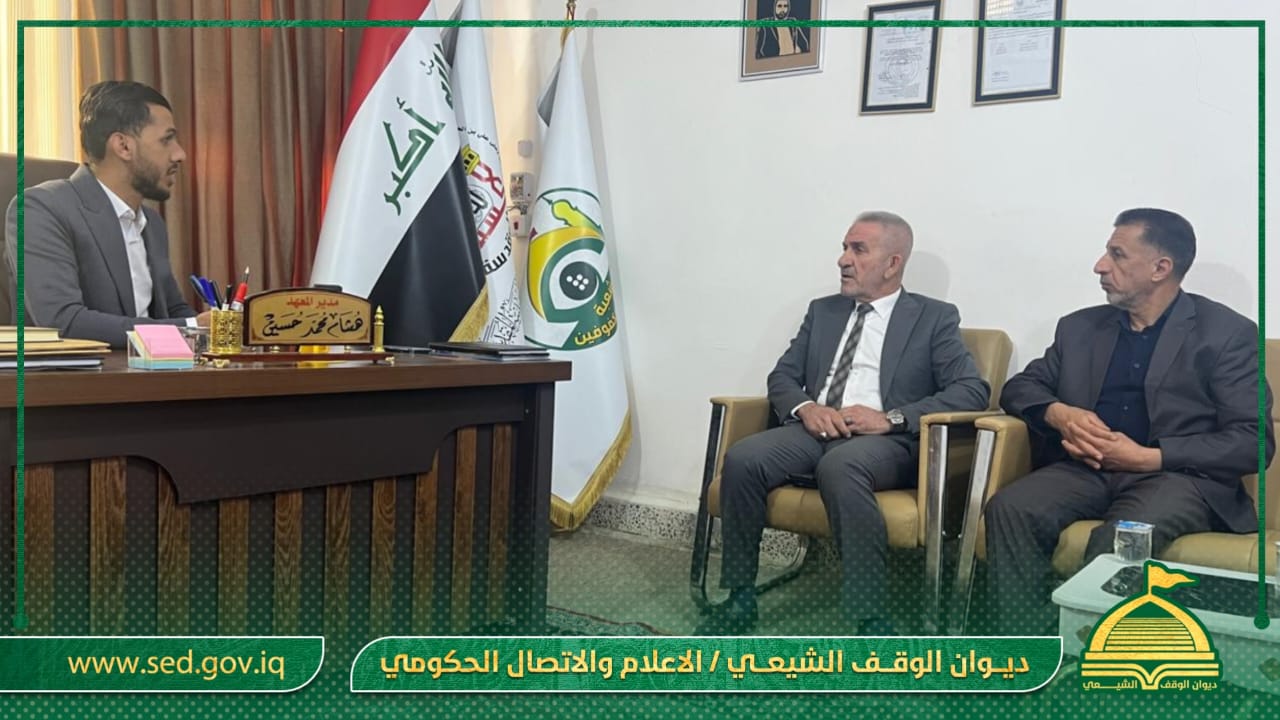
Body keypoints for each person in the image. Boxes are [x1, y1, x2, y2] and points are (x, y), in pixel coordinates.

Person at [696, 211, 990, 636]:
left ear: (892, 263)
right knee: (744, 458)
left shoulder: (932, 317)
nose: (843, 260)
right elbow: (782, 377)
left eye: (858, 250)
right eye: (844, 248)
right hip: (814, 430)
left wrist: (889, 419)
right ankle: (740, 596)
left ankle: (869, 617)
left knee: (841, 465)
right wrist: (806, 408)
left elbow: (971, 390)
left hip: (885, 443)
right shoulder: (824, 312)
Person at [984, 208, 1275, 635]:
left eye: (1117, 255)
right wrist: (1059, 413)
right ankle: (1027, 645)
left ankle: (1096, 657)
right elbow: (1020, 387)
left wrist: (1149, 458)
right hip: (1087, 470)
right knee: (1011, 508)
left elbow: (1253, 441)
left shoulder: (1226, 334)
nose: (1100, 266)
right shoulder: (1080, 328)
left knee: (1123, 536)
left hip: (1176, 478)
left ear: (1161, 268)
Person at [5, 80, 207, 347]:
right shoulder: (40, 209)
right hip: (78, 373)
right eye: (166, 140)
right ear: (123, 146)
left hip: (150, 370)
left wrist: (217, 327)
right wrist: (191, 328)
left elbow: (172, 311)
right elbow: (63, 322)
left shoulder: (152, 222)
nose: (180, 154)